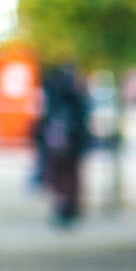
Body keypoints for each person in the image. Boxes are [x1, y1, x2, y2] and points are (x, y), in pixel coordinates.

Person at [33, 64, 90, 225]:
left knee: (63, 179)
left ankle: (66, 208)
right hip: (69, 144)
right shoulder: (73, 98)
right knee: (67, 179)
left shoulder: (57, 98)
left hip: (64, 145)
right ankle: (67, 208)